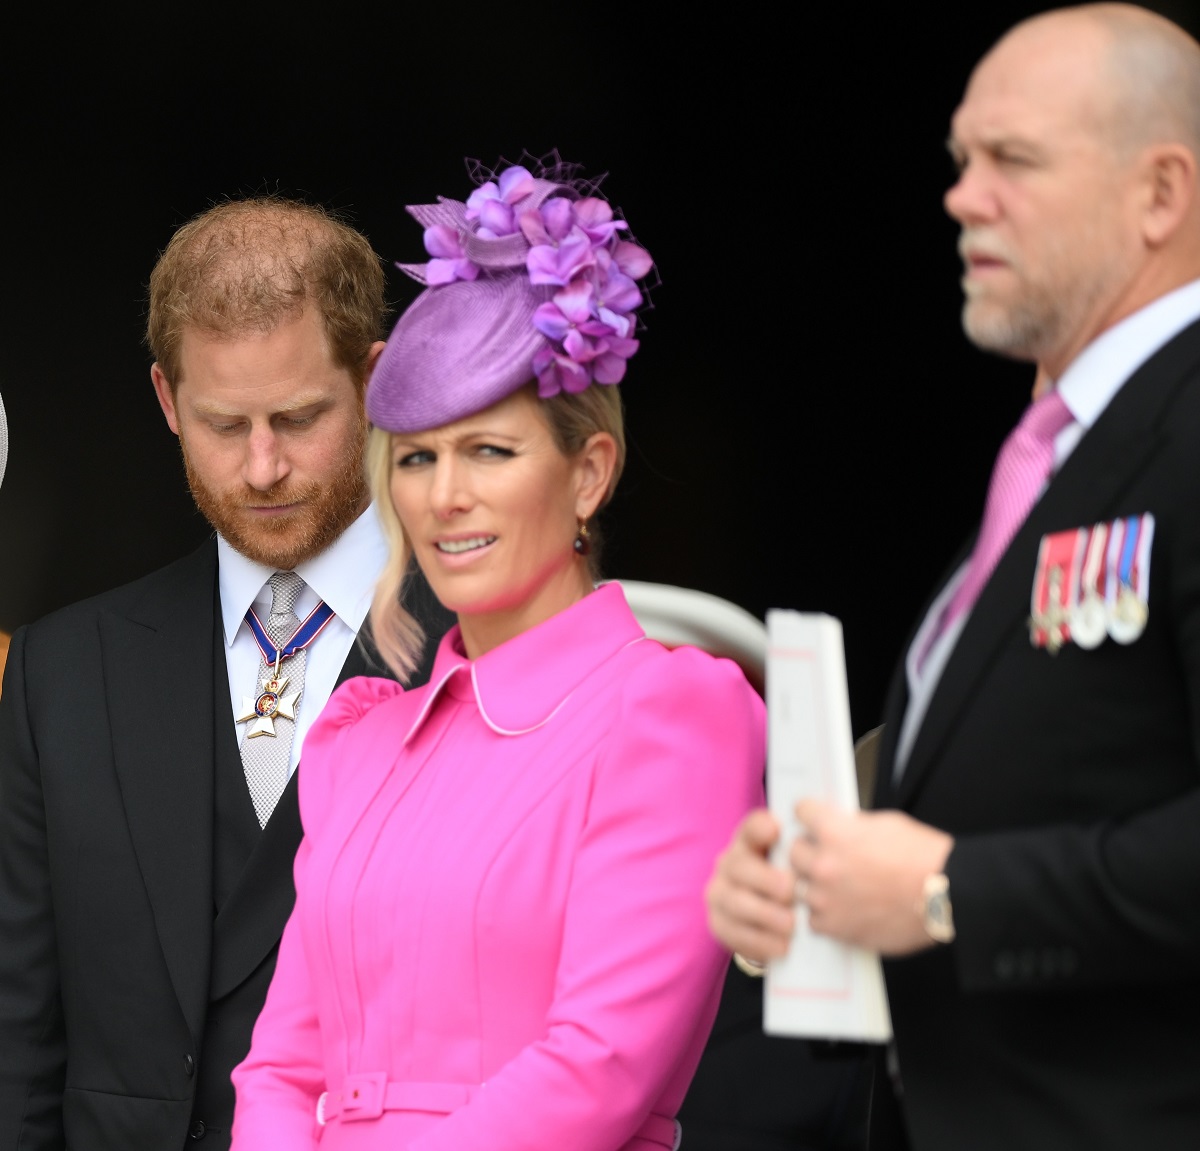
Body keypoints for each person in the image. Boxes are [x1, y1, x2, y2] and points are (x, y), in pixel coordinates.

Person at [706, 5, 1200, 1150]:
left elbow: (968, 875)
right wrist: (818, 893)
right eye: (962, 160)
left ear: (1161, 194)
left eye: (1013, 161)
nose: (963, 196)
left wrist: (949, 893)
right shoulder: (1067, 444)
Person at [228, 157, 765, 1150]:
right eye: (421, 457)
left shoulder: (672, 710)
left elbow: (596, 1066)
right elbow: (279, 1067)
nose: (444, 497)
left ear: (589, 472)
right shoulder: (362, 741)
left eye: (490, 451)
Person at [0, 198, 451, 1150]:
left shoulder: (486, 648)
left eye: (299, 417)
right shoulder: (61, 672)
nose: (262, 466)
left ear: (377, 380)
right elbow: (18, 1044)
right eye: (221, 422)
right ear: (165, 399)